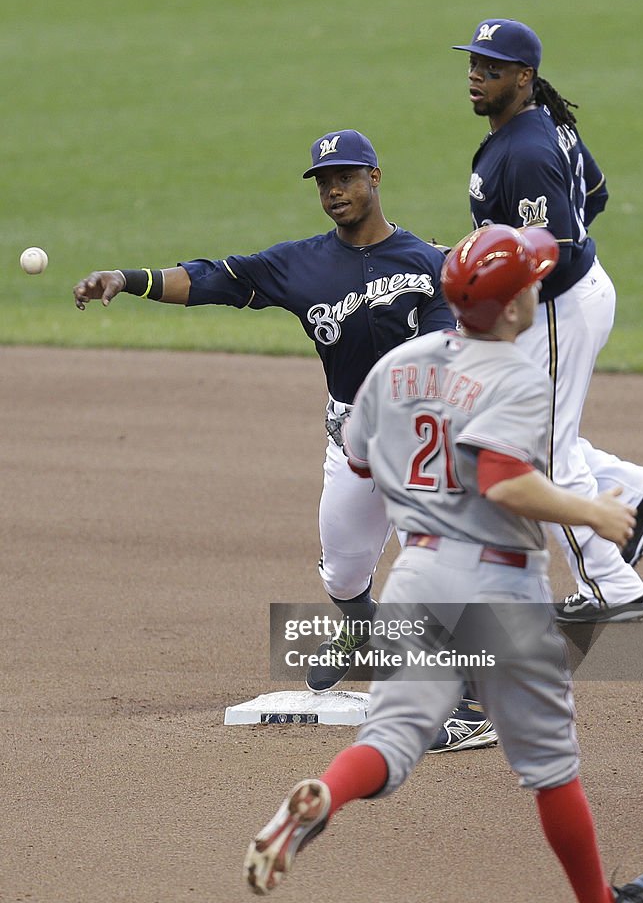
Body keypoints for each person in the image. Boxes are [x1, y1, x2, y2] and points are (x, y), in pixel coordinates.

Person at [243, 224, 643, 903]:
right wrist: (595, 511)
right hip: (497, 583)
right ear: (511, 311)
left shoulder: (397, 365)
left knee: (393, 737)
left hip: (416, 579)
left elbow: (363, 464)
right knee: (549, 765)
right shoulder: (518, 376)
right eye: (531, 283)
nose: (539, 288)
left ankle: (326, 798)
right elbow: (504, 479)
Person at [72, 128, 495, 752]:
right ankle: (364, 634)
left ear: (374, 178)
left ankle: (466, 704)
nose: (334, 191)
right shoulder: (299, 264)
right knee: (344, 571)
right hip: (351, 443)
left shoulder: (427, 262)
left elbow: (451, 341)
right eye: (325, 182)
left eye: (346, 178)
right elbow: (214, 279)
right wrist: (129, 278)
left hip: (417, 444)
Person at [450, 18, 643, 622]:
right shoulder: (537, 125)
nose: (476, 76)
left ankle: (609, 587)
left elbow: (563, 249)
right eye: (472, 63)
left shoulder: (526, 149)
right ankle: (629, 488)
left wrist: (495, 290)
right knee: (532, 431)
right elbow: (593, 192)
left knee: (541, 454)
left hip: (557, 310)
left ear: (524, 78)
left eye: (491, 68)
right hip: (567, 304)